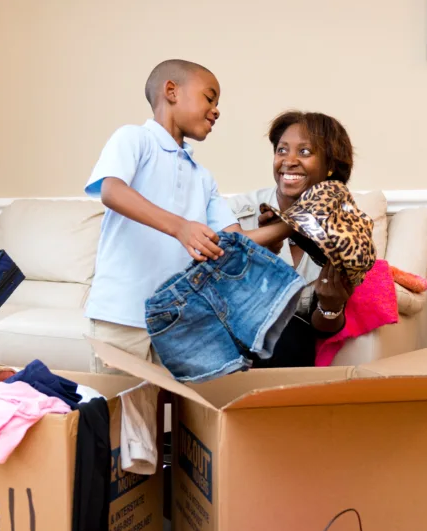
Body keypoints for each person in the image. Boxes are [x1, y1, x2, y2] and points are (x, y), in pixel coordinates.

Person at [83, 59, 288, 373]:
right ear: (171, 91)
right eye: (210, 97)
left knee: (165, 416)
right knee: (118, 413)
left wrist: (290, 227)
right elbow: (112, 191)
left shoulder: (203, 177)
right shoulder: (134, 139)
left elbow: (233, 240)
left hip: (177, 323)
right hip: (120, 315)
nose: (217, 110)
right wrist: (181, 228)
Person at [225, 110, 357, 368]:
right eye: (282, 150)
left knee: (292, 334)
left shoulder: (345, 234)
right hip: (230, 325)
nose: (289, 161)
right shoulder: (240, 212)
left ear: (330, 165)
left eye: (305, 152)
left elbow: (324, 327)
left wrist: (331, 305)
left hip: (291, 342)